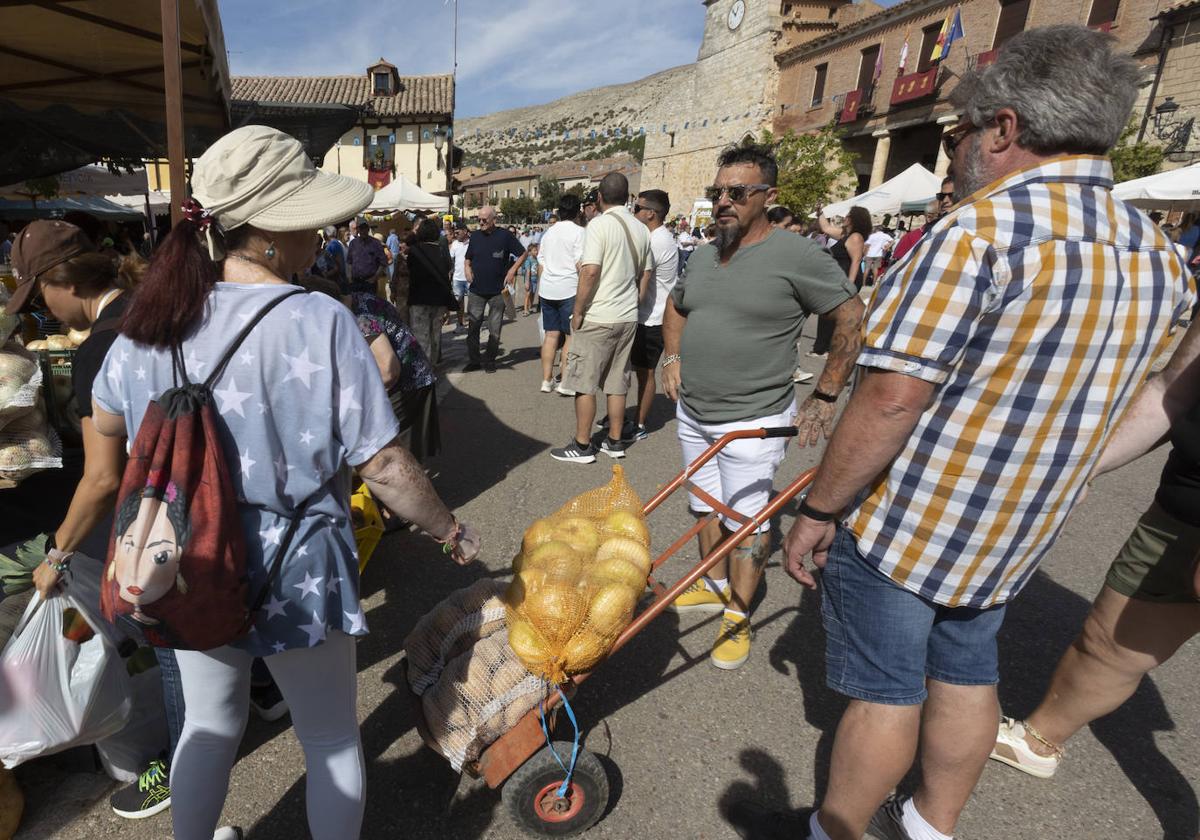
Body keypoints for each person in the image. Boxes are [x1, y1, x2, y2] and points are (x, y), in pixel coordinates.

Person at [767, 27, 1192, 840]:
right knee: (967, 675)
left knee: (887, 692)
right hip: (1016, 526)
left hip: (913, 519)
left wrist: (819, 511)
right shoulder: (1160, 254)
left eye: (960, 131)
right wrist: (1063, 467)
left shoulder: (979, 234)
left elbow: (892, 399)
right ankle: (932, 828)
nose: (955, 147)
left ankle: (836, 832)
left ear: (1004, 130)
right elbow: (1156, 395)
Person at [89, 125, 481, 840]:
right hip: (297, 561)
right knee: (328, 738)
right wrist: (447, 529)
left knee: (207, 727)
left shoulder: (147, 322)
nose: (320, 233)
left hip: (187, 556)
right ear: (269, 232)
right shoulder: (318, 321)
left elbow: (108, 430)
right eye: (309, 220)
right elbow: (385, 466)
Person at [661, 144, 864, 670]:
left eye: (736, 192)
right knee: (705, 508)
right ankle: (713, 583)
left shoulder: (796, 256)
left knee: (748, 523)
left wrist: (825, 393)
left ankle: (737, 613)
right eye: (716, 192)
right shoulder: (705, 253)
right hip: (694, 413)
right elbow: (675, 306)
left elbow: (850, 316)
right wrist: (673, 357)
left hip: (754, 420)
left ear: (768, 197)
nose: (722, 202)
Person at [5, 221, 176, 818]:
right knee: (188, 641)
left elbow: (102, 478)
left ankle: (174, 765)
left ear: (63, 281)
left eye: (39, 295)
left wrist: (58, 553)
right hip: (197, 503)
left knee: (160, 643)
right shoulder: (154, 308)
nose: (42, 312)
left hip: (155, 518)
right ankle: (246, 699)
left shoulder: (100, 349)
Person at [991, 316, 1200, 780]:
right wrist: (1082, 468)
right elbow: (1173, 390)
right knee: (1112, 641)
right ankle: (1038, 740)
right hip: (1184, 507)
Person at [549, 172, 651, 464]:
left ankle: (582, 445)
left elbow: (590, 271)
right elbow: (645, 274)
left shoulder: (599, 226)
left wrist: (578, 311)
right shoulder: (641, 228)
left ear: (600, 197)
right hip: (627, 315)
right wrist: (635, 304)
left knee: (584, 381)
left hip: (599, 314)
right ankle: (615, 441)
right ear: (627, 196)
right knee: (617, 382)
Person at [630, 189, 679, 440]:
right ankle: (630, 416)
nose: (634, 212)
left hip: (653, 318)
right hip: (647, 314)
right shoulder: (656, 237)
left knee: (645, 371)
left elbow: (639, 276)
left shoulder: (657, 241)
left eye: (637, 208)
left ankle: (638, 424)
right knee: (638, 369)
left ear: (651, 213)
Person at [464, 205, 525, 372]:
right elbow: (468, 258)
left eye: (484, 220)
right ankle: (474, 360)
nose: (481, 222)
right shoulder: (475, 236)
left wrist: (512, 270)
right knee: (473, 326)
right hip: (476, 290)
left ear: (494, 220)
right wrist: (467, 268)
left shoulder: (505, 236)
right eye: (479, 219)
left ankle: (490, 360)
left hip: (498, 290)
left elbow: (523, 253)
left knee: (495, 327)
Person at [537, 194, 586, 395]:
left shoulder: (549, 233)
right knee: (569, 337)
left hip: (548, 288)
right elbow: (580, 263)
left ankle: (546, 380)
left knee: (550, 335)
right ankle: (565, 382)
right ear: (577, 211)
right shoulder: (580, 232)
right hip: (568, 288)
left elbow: (541, 261)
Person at [811, 206, 869, 358]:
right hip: (839, 278)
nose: (845, 217)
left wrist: (849, 285)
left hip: (846, 279)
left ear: (854, 219)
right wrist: (820, 212)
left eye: (848, 215)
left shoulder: (855, 237)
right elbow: (826, 227)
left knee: (830, 312)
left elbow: (856, 262)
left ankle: (824, 348)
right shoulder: (845, 235)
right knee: (827, 311)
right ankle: (822, 347)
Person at [406, 218, 456, 365]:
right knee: (435, 337)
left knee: (422, 338)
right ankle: (432, 367)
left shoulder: (414, 251)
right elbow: (448, 269)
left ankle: (424, 372)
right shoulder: (441, 249)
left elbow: (411, 273)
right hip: (438, 300)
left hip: (419, 300)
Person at [345, 217, 387, 294]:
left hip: (370, 283)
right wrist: (350, 278)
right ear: (358, 230)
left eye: (365, 228)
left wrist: (374, 278)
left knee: (370, 304)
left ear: (368, 229)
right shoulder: (353, 244)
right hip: (356, 282)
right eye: (361, 228)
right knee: (356, 304)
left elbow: (383, 263)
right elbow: (349, 262)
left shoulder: (376, 243)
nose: (363, 231)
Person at [449, 223, 470, 328]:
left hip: (470, 278)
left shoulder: (472, 243)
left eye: (458, 232)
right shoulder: (455, 244)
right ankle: (460, 323)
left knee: (473, 302)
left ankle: (473, 324)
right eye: (455, 232)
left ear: (465, 231)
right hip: (457, 278)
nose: (456, 235)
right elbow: (450, 259)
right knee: (458, 302)